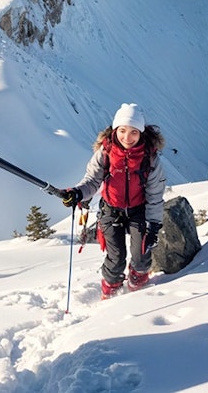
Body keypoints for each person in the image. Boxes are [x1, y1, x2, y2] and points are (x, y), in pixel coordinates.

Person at [59, 103, 166, 299]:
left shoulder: (149, 158)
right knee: (115, 259)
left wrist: (153, 226)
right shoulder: (106, 153)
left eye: (134, 132)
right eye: (123, 130)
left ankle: (138, 289)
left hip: (139, 210)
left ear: (141, 133)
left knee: (142, 256)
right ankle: (110, 292)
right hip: (111, 210)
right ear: (115, 130)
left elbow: (155, 195)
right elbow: (92, 181)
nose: (127, 137)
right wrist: (77, 193)